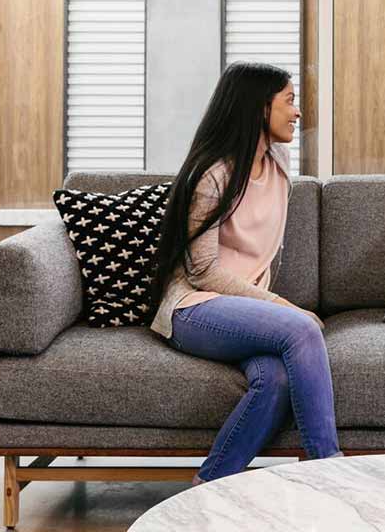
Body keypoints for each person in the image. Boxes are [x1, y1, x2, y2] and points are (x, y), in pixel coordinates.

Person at [150, 62, 341, 484]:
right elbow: (203, 273)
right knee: (303, 330)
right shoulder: (213, 175)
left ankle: (208, 485)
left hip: (241, 310)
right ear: (259, 108)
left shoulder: (278, 162)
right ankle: (330, 474)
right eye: (289, 101)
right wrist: (281, 306)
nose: (297, 113)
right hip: (194, 308)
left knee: (274, 380)